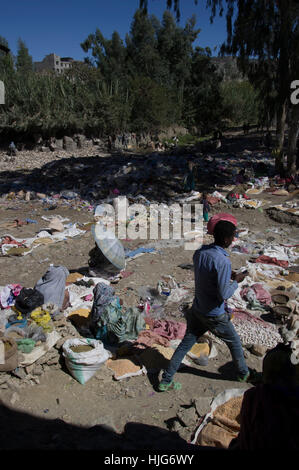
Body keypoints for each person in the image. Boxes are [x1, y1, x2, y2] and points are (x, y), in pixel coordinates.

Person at [158, 220, 261, 392]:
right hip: (214, 314)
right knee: (234, 342)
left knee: (185, 345)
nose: (234, 239)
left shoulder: (200, 252)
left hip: (198, 308)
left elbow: (207, 274)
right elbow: (224, 294)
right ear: (228, 240)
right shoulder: (223, 261)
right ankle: (244, 373)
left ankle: (165, 380)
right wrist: (236, 281)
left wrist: (229, 274)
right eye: (233, 236)